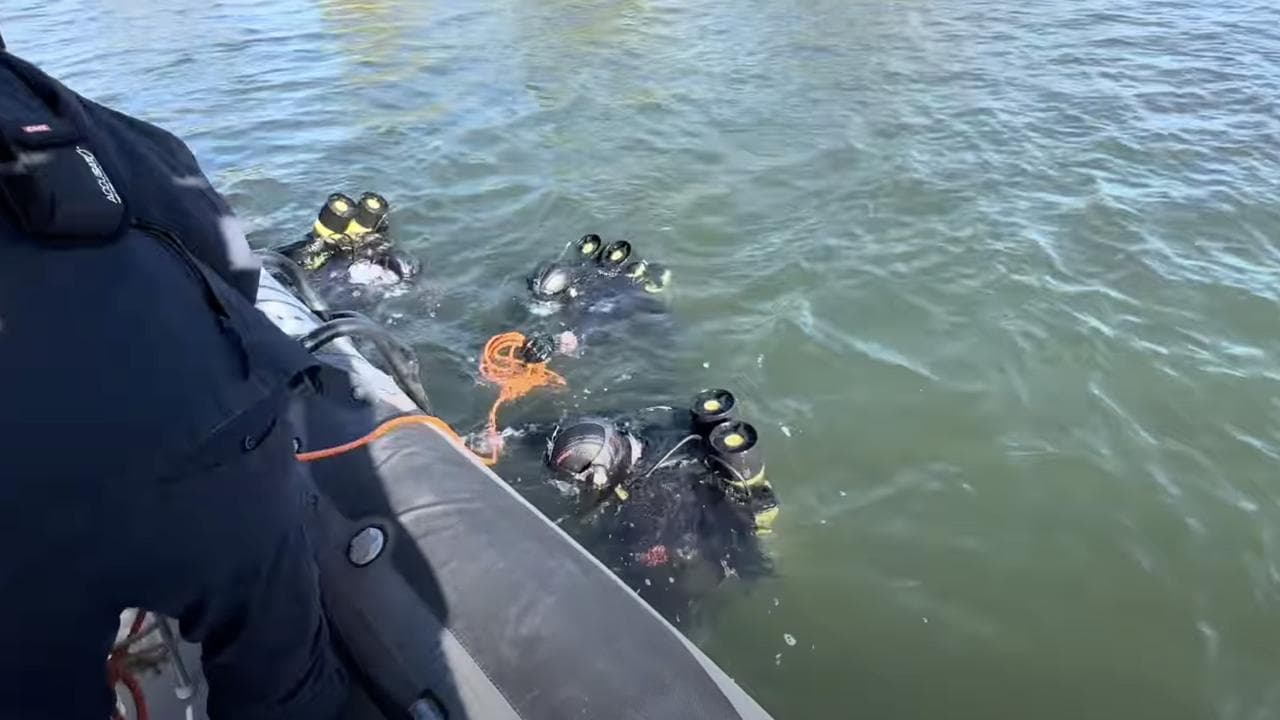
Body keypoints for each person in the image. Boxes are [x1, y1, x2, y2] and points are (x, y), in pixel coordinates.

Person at [0, 43, 347, 719]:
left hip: (27, 514)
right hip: (214, 430)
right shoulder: (33, 100)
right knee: (285, 682)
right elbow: (209, 231)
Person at [540, 389, 778, 620]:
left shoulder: (642, 512)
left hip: (715, 533)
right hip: (706, 485)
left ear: (598, 477)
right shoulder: (657, 430)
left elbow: (644, 568)